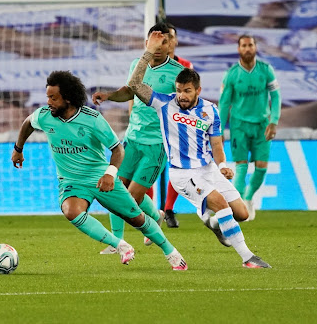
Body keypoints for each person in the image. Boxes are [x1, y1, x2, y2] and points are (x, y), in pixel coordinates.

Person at [13, 70, 187, 270]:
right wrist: (18, 149)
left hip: (99, 177)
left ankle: (170, 252)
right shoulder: (44, 116)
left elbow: (117, 149)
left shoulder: (92, 119)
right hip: (72, 182)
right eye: (47, 97)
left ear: (68, 98)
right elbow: (28, 123)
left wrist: (110, 174)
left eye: (53, 98)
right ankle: (119, 245)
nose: (49, 102)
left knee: (137, 219)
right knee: (71, 211)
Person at [129, 31, 270, 268]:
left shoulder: (210, 111)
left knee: (242, 213)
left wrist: (223, 166)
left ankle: (213, 222)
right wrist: (148, 53)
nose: (181, 96)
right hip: (183, 173)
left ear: (198, 90)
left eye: (187, 91)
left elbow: (216, 143)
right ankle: (248, 258)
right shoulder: (164, 103)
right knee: (221, 205)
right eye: (179, 90)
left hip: (209, 170)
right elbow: (134, 85)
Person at [91, 23, 183, 254]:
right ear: (147, 43)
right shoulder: (137, 64)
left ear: (170, 44)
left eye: (164, 42)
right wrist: (110, 95)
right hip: (132, 139)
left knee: (131, 198)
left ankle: (157, 228)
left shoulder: (177, 73)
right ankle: (119, 241)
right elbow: (130, 90)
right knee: (114, 189)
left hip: (157, 145)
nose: (159, 47)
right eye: (155, 42)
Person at [219, 34, 281, 221]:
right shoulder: (231, 74)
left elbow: (276, 97)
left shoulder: (266, 70)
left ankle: (248, 198)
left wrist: (274, 121)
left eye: (250, 45)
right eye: (244, 45)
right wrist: (220, 130)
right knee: (241, 166)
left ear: (255, 47)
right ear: (239, 49)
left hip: (262, 125)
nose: (247, 48)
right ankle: (239, 207)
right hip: (239, 126)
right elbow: (224, 104)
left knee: (261, 167)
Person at [162, 22, 192, 229]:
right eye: (164, 38)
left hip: (176, 124)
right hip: (151, 125)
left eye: (171, 37)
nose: (168, 42)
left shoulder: (185, 66)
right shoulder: (147, 66)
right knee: (149, 172)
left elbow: (192, 94)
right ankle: (153, 212)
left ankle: (168, 209)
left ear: (176, 40)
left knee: (176, 166)